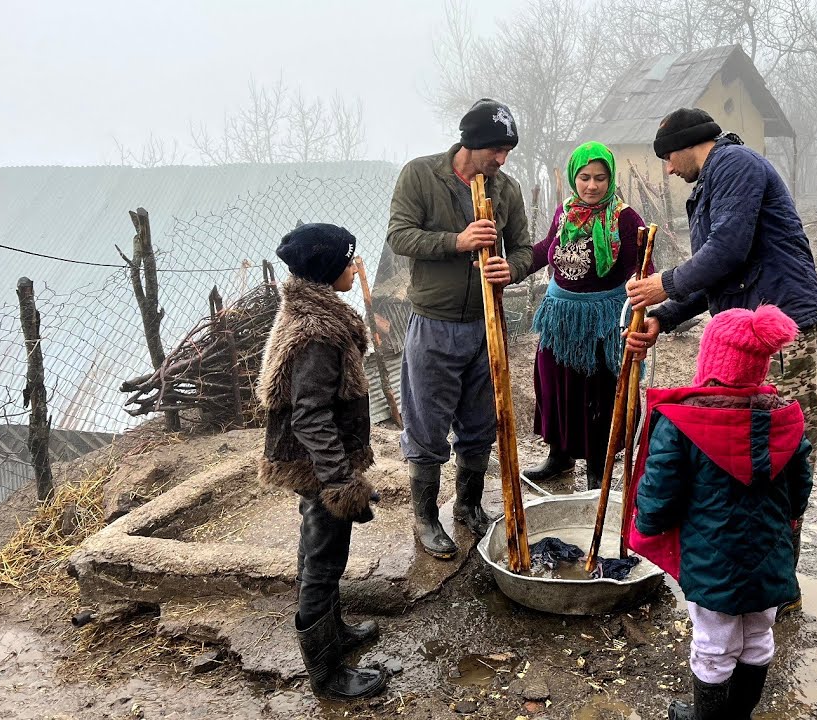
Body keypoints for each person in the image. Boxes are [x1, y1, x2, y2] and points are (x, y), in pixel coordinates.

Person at [625, 107, 817, 593]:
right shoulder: (717, 181)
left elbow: (728, 250)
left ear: (689, 143)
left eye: (669, 157)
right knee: (745, 448)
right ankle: (747, 574)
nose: (668, 170)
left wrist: (664, 284)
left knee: (777, 445)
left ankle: (776, 582)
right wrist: (664, 317)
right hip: (746, 329)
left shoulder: (736, 165)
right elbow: (719, 273)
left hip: (780, 328)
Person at [628, 305, 813, 720]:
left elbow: (659, 489)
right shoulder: (785, 420)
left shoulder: (684, 423)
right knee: (758, 633)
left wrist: (648, 523)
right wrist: (790, 521)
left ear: (710, 362)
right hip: (771, 554)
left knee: (714, 641)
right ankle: (738, 715)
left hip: (713, 560)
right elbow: (800, 488)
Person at [386, 98, 532, 559]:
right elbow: (399, 235)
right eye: (496, 149)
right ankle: (426, 518)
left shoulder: (505, 190)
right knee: (426, 425)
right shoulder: (421, 175)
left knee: (481, 422)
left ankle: (468, 506)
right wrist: (457, 241)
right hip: (433, 323)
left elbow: (526, 248)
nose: (502, 159)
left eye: (508, 150)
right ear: (470, 143)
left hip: (487, 325)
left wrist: (512, 268)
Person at [257, 223, 388, 700]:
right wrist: (339, 482)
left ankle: (336, 632)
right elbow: (309, 415)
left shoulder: (311, 312)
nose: (356, 267)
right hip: (320, 465)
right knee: (323, 562)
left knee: (321, 551)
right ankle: (327, 674)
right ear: (328, 267)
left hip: (324, 462)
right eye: (349, 260)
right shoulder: (318, 334)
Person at [521, 141, 651, 490]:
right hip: (559, 318)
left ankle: (598, 467)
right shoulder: (564, 212)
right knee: (555, 386)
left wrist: (639, 280)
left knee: (598, 393)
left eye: (600, 178)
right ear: (573, 178)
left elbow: (641, 266)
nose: (592, 186)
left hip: (601, 322)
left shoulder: (625, 218)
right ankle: (559, 458)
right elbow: (545, 249)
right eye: (584, 177)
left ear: (611, 180)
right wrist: (512, 268)